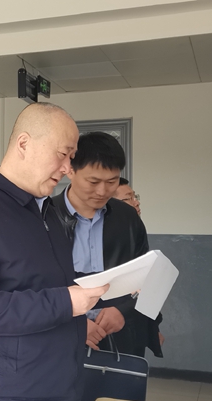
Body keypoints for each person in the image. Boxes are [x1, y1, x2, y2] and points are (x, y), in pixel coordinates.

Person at [0, 103, 108, 401]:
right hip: (5, 398)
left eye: (72, 157)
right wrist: (66, 303)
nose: (67, 168)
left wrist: (100, 286)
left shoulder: (45, 210)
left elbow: (42, 282)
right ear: (24, 144)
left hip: (56, 388)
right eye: (63, 154)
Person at [53, 131, 162, 358]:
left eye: (112, 182)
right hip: (60, 339)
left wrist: (123, 312)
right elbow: (30, 286)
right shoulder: (45, 217)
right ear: (70, 170)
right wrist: (74, 324)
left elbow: (149, 278)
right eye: (93, 182)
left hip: (121, 337)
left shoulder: (128, 218)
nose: (102, 191)